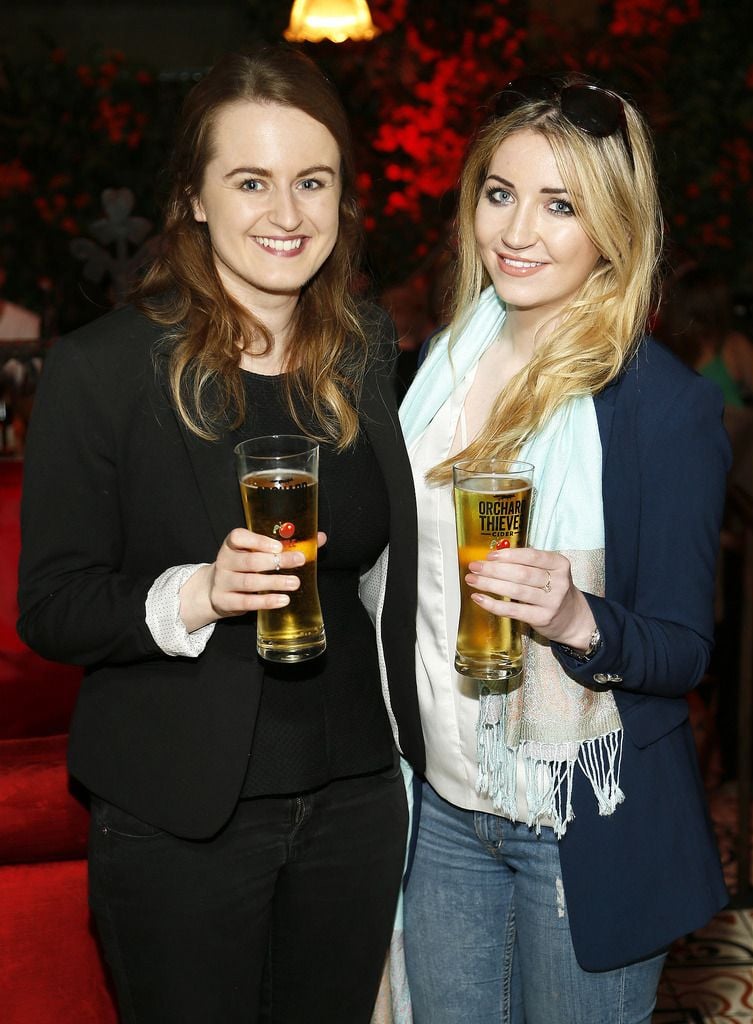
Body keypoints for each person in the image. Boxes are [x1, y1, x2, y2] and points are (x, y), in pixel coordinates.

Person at [17, 46, 421, 1024]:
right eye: (252, 181)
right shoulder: (101, 370)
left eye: (311, 181)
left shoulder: (366, 350)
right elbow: (52, 603)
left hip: (357, 800)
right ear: (194, 198)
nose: (287, 214)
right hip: (177, 817)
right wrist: (195, 593)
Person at [397, 75, 731, 1024]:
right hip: (443, 804)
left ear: (612, 229)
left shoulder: (661, 407)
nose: (518, 231)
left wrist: (578, 617)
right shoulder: (435, 370)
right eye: (500, 194)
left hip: (580, 821)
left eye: (561, 204)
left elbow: (681, 648)